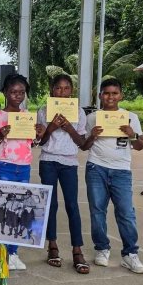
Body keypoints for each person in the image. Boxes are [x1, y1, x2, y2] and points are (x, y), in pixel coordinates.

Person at [81, 78, 143, 274]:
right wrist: (92, 136)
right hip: (96, 168)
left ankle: (130, 254)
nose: (110, 97)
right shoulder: (92, 118)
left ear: (121, 95)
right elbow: (84, 146)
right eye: (106, 93)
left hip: (121, 170)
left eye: (114, 93)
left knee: (126, 212)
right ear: (100, 95)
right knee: (97, 211)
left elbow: (140, 145)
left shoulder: (130, 117)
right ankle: (102, 249)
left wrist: (132, 135)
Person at [0, 74, 44, 271]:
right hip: (4, 166)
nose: (17, 96)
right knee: (2, 209)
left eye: (21, 92)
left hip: (24, 167)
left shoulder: (27, 116)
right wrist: (0, 135)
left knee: (18, 210)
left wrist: (38, 135)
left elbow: (32, 143)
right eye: (13, 92)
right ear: (5, 92)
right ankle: (0, 252)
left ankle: (13, 253)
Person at [37, 73, 88, 272]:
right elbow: (40, 141)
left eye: (66, 88)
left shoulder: (79, 112)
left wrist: (68, 128)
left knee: (72, 205)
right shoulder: (43, 111)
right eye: (58, 88)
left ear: (71, 91)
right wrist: (50, 128)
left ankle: (77, 250)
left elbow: (82, 143)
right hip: (48, 161)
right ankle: (52, 246)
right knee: (51, 204)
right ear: (52, 90)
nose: (62, 92)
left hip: (69, 162)